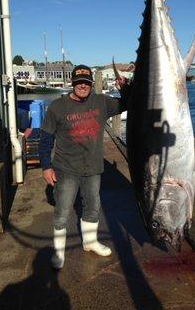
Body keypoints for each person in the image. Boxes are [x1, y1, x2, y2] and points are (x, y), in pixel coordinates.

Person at [38, 64, 129, 269]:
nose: (82, 86)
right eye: (79, 82)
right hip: (65, 168)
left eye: (86, 83)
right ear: (72, 83)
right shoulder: (57, 107)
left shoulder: (101, 102)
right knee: (62, 210)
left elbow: (128, 103)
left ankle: (90, 242)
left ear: (90, 84)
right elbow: (45, 139)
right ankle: (58, 253)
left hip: (93, 168)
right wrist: (46, 167)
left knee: (92, 206)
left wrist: (124, 88)